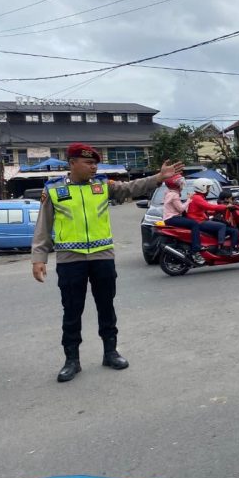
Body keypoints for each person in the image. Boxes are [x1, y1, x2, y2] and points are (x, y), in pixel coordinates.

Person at [31, 143, 183, 383]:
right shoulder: (53, 190)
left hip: (102, 257)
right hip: (70, 260)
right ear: (72, 163)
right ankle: (72, 360)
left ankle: (110, 352)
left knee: (106, 306)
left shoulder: (102, 186)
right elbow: (43, 227)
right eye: (89, 163)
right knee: (72, 310)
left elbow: (131, 187)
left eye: (95, 163)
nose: (94, 167)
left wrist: (159, 178)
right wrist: (39, 258)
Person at [186, 179, 239, 254]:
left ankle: (232, 248)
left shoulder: (199, 197)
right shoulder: (197, 198)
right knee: (222, 226)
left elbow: (205, 210)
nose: (209, 190)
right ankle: (220, 248)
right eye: (208, 188)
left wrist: (216, 211)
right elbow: (209, 206)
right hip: (199, 222)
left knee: (233, 231)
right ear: (202, 187)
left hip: (201, 220)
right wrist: (225, 206)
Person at [162, 174, 205, 266]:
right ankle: (195, 250)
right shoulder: (174, 195)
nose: (182, 185)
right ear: (176, 185)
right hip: (172, 218)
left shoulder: (169, 193)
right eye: (181, 184)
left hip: (170, 218)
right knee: (194, 224)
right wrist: (189, 200)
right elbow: (181, 209)